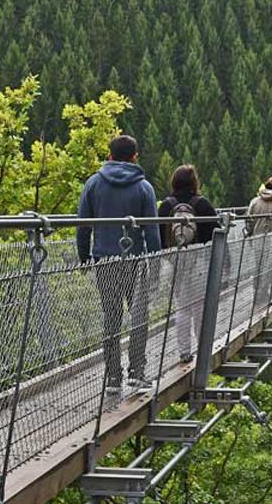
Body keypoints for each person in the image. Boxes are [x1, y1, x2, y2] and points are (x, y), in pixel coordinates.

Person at [77, 134, 161, 401]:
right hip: (134, 262)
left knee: (111, 317)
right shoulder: (144, 187)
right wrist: (155, 262)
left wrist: (84, 257)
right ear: (135, 156)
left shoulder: (93, 183)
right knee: (138, 317)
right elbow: (152, 231)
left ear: (109, 154)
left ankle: (113, 377)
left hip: (104, 261)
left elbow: (83, 225)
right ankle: (137, 371)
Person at [157, 165, 217, 363]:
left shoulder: (166, 206)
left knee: (182, 307)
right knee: (200, 306)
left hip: (175, 260)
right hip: (199, 259)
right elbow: (216, 232)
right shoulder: (202, 205)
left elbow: (159, 235)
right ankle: (203, 349)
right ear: (194, 182)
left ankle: (184, 352)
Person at [245, 176, 272, 307]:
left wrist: (251, 232)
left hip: (258, 240)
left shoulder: (254, 202)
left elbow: (248, 222)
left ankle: (258, 296)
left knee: (258, 267)